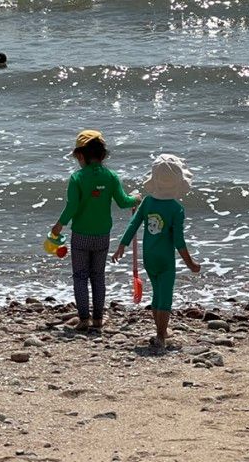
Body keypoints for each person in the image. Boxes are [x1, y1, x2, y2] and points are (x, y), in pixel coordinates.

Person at [50, 130, 138, 331]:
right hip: (102, 235)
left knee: (80, 276)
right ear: (102, 154)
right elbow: (124, 202)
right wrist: (137, 198)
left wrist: (58, 226)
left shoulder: (77, 178)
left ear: (80, 155)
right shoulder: (111, 176)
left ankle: (83, 319)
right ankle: (98, 319)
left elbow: (71, 207)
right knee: (98, 276)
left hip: (81, 235)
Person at [113, 153, 200, 349]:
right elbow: (178, 241)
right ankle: (161, 335)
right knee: (166, 295)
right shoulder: (176, 209)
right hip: (166, 258)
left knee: (156, 294)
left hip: (149, 257)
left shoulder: (148, 202)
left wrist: (121, 246)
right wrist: (191, 263)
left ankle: (160, 329)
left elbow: (133, 224)